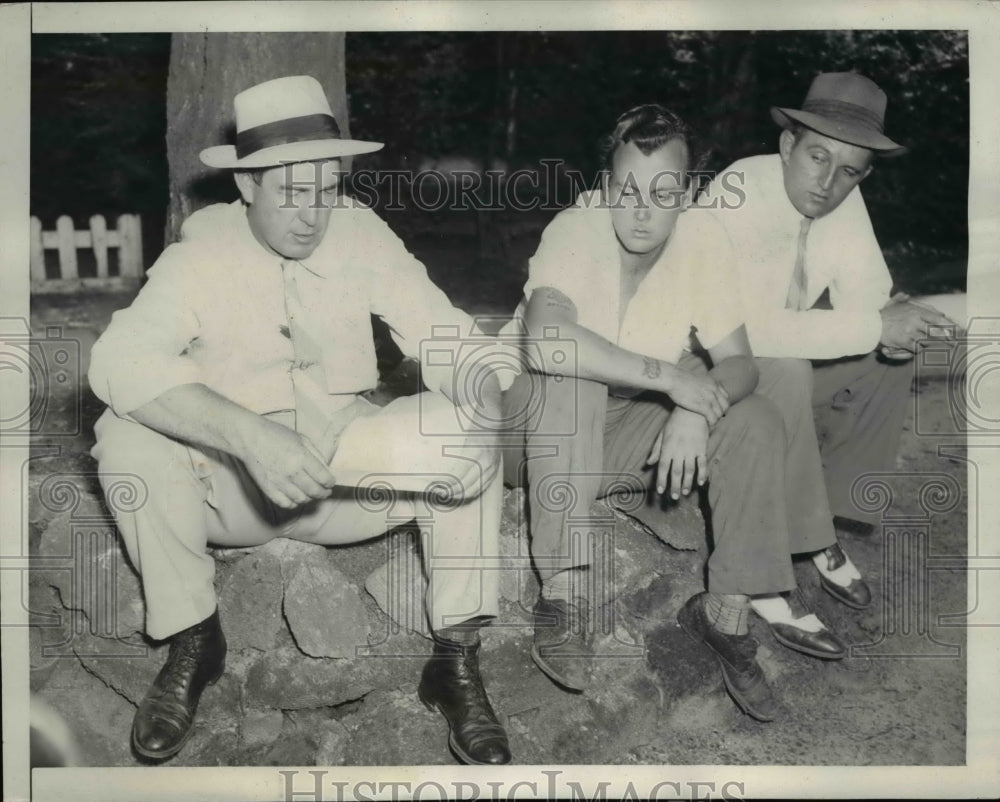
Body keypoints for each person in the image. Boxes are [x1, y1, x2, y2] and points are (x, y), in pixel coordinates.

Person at [88, 75, 511, 766]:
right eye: (290, 192)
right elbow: (116, 360)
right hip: (231, 492)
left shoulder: (360, 233)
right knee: (124, 434)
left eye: (327, 189)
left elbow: (447, 335)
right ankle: (194, 638)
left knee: (466, 423)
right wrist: (248, 434)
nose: (313, 215)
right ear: (247, 184)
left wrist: (483, 403)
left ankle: (455, 661)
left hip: (346, 482)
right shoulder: (201, 254)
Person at [500, 104, 848, 722]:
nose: (642, 210)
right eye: (628, 190)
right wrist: (676, 382)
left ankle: (725, 612)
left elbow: (740, 364)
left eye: (663, 194)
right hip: (529, 435)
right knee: (574, 374)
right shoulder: (576, 228)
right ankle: (565, 593)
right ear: (605, 186)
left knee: (755, 418)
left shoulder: (701, 241)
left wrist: (698, 407)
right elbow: (549, 343)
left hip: (614, 440)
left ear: (686, 195)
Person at [701, 72, 959, 648]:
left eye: (849, 171)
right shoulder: (737, 190)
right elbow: (742, 331)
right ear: (787, 144)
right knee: (789, 366)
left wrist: (894, 333)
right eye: (818, 157)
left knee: (887, 363)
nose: (828, 182)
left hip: (773, 375)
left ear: (863, 174)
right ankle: (778, 565)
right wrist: (874, 325)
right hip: (707, 376)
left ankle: (824, 526)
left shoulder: (842, 198)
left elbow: (869, 300)